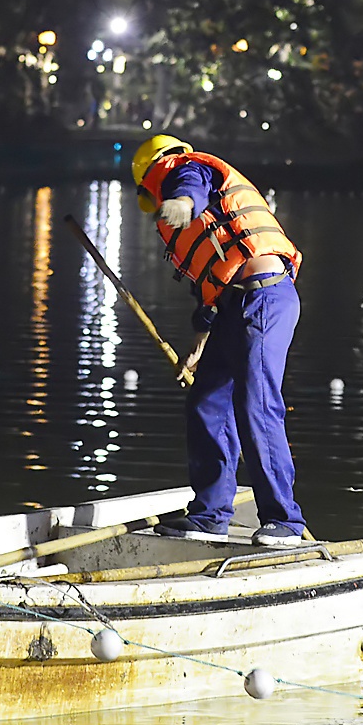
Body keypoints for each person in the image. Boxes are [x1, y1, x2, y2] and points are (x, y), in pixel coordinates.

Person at [130, 134, 307, 547]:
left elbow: (192, 184)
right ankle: (210, 515)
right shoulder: (182, 187)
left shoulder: (187, 168)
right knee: (207, 402)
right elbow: (210, 283)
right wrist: (199, 344)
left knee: (256, 404)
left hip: (264, 297)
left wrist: (184, 203)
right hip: (233, 308)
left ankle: (285, 521)